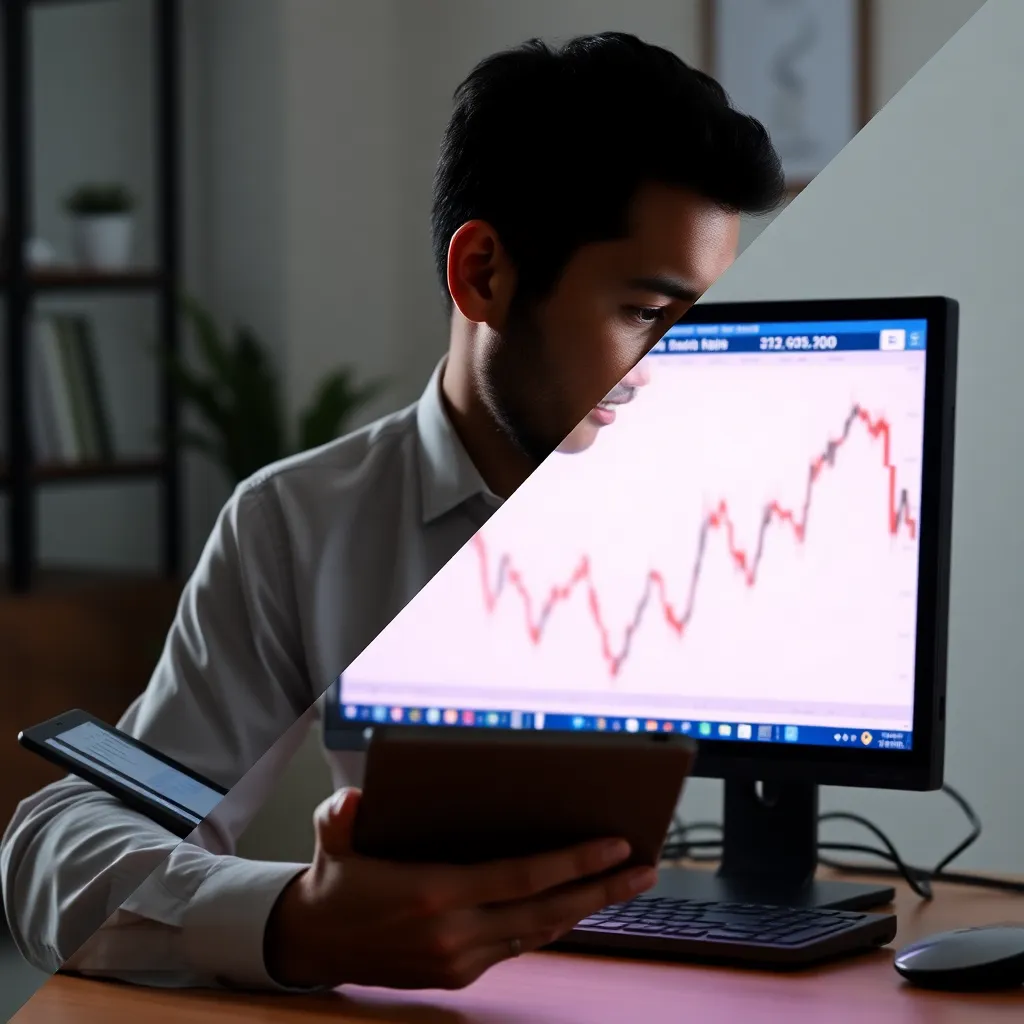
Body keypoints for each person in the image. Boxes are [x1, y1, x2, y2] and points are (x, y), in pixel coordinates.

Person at [1, 32, 784, 993]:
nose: (670, 372)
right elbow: (58, 847)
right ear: (483, 275)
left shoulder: (749, 512)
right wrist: (291, 922)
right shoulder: (298, 525)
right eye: (647, 315)